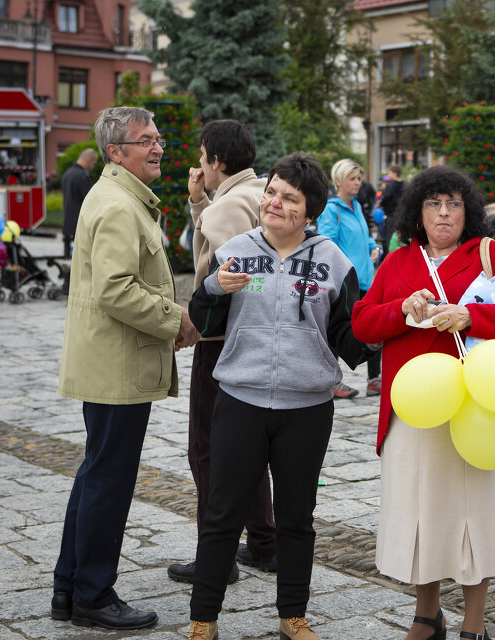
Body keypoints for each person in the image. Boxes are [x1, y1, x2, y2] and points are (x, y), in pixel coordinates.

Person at [186, 153, 374, 640]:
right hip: (240, 402)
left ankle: (293, 613)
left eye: (289, 198)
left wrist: (379, 329)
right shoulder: (236, 249)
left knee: (296, 518)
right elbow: (204, 321)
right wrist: (212, 287)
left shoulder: (334, 261)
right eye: (272, 192)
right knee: (223, 514)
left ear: (310, 210)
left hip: (307, 409)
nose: (274, 202)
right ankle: (203, 619)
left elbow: (347, 340)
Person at [351, 165, 495, 640]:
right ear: (417, 211)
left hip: (473, 409)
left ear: (468, 211)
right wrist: (400, 309)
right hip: (411, 407)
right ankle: (426, 614)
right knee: (419, 515)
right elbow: (363, 323)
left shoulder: (489, 254)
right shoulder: (398, 262)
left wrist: (470, 315)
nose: (443, 213)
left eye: (453, 203)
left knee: (471, 515)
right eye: (434, 203)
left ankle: (473, 623)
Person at [52, 106, 200, 630]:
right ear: (116, 152)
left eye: (158, 138)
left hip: (113, 362)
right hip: (118, 366)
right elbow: (117, 290)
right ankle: (93, 593)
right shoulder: (118, 204)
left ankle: (69, 587)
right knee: (108, 480)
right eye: (146, 140)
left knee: (96, 473)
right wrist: (174, 318)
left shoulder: (118, 195)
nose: (158, 147)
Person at [167, 120, 277, 587]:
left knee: (206, 450)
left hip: (223, 341)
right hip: (262, 338)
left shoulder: (229, 205)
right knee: (249, 446)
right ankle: (265, 543)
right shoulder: (264, 192)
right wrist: (198, 203)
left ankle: (217, 554)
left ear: (216, 160)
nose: (199, 163)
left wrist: (198, 319)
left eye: (202, 155)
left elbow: (231, 273)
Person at [317, 159, 382, 399]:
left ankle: (374, 380)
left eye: (359, 178)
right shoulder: (331, 209)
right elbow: (327, 243)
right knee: (337, 330)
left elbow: (365, 238)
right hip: (344, 282)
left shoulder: (356, 207)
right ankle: (333, 382)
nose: (358, 183)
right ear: (338, 181)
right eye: (352, 178)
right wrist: (347, 264)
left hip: (365, 280)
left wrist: (374, 247)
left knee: (375, 328)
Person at [61, 147, 98, 260]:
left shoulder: (68, 174)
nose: (93, 167)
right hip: (80, 225)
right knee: (82, 260)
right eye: (93, 163)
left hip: (67, 224)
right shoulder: (83, 176)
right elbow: (91, 200)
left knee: (68, 261)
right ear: (89, 161)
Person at [379, 164, 405, 260]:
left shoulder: (390, 185)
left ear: (394, 173)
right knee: (400, 236)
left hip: (391, 215)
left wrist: (381, 204)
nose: (389, 175)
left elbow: (386, 198)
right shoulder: (404, 184)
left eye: (390, 173)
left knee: (390, 237)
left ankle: (389, 258)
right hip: (402, 215)